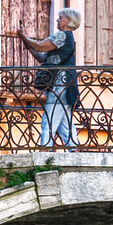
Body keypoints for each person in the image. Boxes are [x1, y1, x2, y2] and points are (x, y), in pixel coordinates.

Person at [20, 8, 81, 150]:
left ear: (68, 20)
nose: (58, 20)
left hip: (60, 83)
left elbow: (39, 47)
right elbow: (42, 57)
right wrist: (28, 44)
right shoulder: (67, 38)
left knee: (49, 118)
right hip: (67, 83)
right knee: (65, 123)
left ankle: (45, 151)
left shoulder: (62, 35)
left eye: (61, 17)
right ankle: (74, 151)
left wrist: (23, 37)